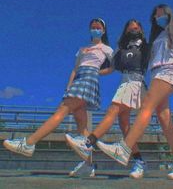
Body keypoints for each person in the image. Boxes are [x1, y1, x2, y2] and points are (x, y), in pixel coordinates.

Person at [95, 4, 173, 180]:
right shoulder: (157, 37)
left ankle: (124, 147)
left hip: (170, 70)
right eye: (156, 17)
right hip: (156, 74)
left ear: (169, 15)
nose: (159, 18)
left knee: (147, 106)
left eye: (162, 15)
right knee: (164, 118)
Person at [3, 18, 113, 177]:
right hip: (78, 79)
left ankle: (29, 143)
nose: (95, 29)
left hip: (89, 79)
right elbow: (75, 69)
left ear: (103, 30)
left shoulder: (106, 49)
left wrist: (97, 72)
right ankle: (88, 166)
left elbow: (113, 67)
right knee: (82, 127)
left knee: (61, 111)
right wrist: (69, 85)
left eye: (98, 27)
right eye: (93, 27)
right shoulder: (83, 49)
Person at [65, 19, 149, 179]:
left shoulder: (144, 44)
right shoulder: (121, 47)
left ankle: (88, 142)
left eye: (137, 28)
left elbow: (148, 59)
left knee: (113, 109)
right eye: (131, 28)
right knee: (124, 126)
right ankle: (139, 161)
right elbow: (111, 68)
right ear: (126, 31)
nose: (134, 30)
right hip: (125, 80)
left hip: (135, 80)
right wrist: (92, 72)